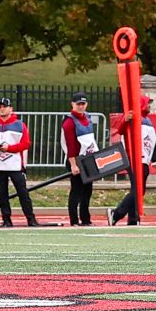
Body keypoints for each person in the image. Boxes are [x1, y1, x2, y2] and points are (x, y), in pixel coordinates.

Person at [0, 101, 37, 227]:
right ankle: (6, 219)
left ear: (11, 109)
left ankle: (30, 218)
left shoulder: (19, 124)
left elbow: (26, 144)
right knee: (2, 194)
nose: (2, 109)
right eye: (0, 107)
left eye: (4, 107)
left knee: (23, 193)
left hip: (15, 165)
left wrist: (10, 148)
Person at [59, 95, 99, 226]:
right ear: (73, 104)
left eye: (83, 104)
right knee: (76, 191)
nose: (81, 106)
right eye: (78, 104)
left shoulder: (87, 117)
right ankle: (74, 220)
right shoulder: (69, 122)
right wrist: (73, 165)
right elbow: (70, 145)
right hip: (76, 160)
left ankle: (85, 219)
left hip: (88, 159)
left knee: (87, 191)